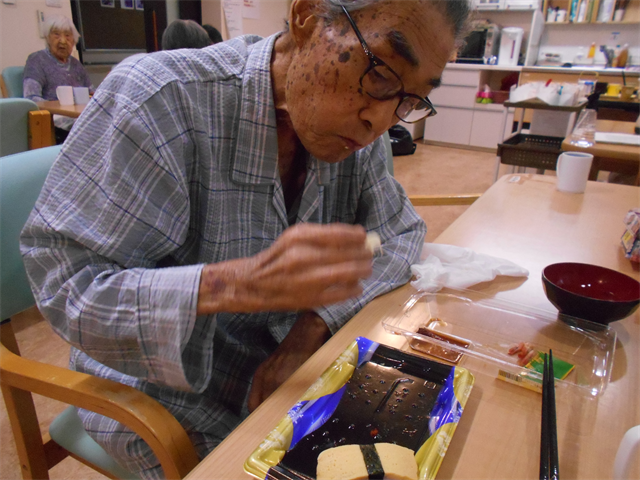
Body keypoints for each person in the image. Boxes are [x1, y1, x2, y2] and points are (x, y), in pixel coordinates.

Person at [21, 0, 470, 478]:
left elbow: (401, 231)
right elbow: (65, 285)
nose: (380, 122)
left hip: (287, 370)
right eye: (380, 72)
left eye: (410, 99)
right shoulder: (161, 99)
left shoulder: (363, 129)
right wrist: (231, 285)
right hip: (158, 393)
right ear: (308, 19)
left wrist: (311, 326)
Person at [23, 14, 93, 144]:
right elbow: (31, 98)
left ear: (74, 40)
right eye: (56, 35)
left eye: (67, 35)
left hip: (80, 118)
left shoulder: (76, 64)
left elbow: (91, 92)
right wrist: (59, 109)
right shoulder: (37, 60)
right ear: (47, 38)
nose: (62, 41)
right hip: (55, 121)